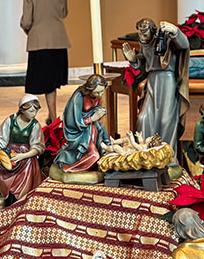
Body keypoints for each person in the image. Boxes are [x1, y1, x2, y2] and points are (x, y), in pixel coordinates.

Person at [122, 18, 190, 164]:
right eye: (140, 35)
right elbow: (144, 63)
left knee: (166, 120)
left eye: (145, 34)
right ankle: (145, 155)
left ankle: (166, 158)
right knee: (143, 118)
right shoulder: (145, 43)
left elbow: (184, 45)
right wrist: (133, 60)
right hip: (152, 82)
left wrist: (175, 32)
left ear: (152, 31)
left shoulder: (166, 40)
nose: (142, 38)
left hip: (167, 82)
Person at [21, 0, 69, 124]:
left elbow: (26, 20)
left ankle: (27, 116)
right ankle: (53, 115)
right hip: (58, 41)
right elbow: (63, 14)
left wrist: (29, 30)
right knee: (52, 82)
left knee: (34, 83)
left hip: (38, 41)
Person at [0, 94, 44, 210]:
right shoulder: (10, 121)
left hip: (26, 160)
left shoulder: (35, 125)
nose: (34, 114)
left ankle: (21, 207)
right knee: (6, 182)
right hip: (9, 156)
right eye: (31, 111)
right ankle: (5, 202)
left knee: (24, 186)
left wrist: (23, 156)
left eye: (35, 111)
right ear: (22, 109)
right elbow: (1, 138)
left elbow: (38, 147)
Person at [54, 74, 112, 172]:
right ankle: (70, 168)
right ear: (89, 89)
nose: (100, 95)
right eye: (97, 92)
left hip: (91, 128)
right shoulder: (79, 96)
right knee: (94, 155)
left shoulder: (97, 95)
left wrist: (100, 111)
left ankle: (98, 159)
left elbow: (96, 109)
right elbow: (72, 120)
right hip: (79, 131)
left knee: (101, 132)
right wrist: (91, 119)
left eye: (102, 91)